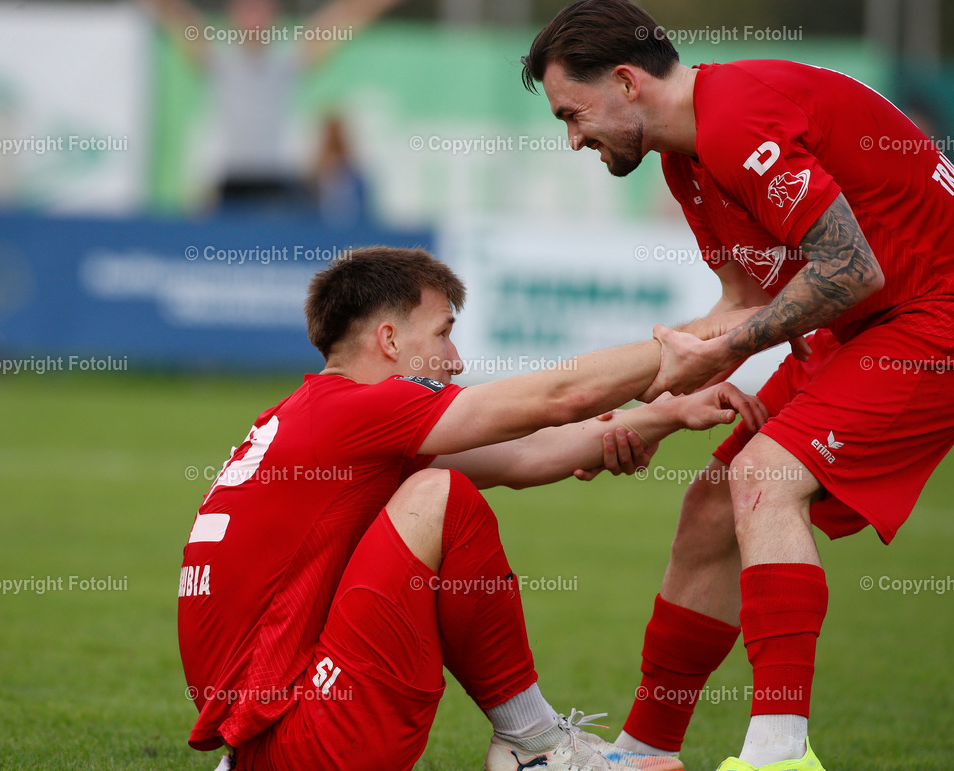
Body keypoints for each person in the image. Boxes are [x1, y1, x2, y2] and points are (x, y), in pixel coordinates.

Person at [521, 2, 954, 770]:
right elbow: (742, 308)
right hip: (875, 321)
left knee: (763, 476)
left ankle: (780, 756)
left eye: (573, 114)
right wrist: (638, 413)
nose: (573, 138)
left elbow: (851, 269)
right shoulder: (684, 156)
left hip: (931, 318)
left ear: (626, 81)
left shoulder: (737, 120)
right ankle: (645, 752)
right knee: (711, 503)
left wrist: (689, 369)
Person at [177, 246, 766, 771]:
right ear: (388, 340)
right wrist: (674, 351)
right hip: (309, 739)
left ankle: (531, 744)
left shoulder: (320, 419)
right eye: (443, 333)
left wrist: (668, 413)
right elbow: (561, 396)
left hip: (273, 734)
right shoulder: (359, 411)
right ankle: (533, 746)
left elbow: (525, 455)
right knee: (442, 498)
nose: (456, 359)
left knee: (437, 492)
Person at [140, 0, 401, 210]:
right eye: (248, 8)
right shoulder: (219, 61)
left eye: (262, 8)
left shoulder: (286, 62)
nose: (255, 18)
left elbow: (340, 19)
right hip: (229, 180)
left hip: (276, 180)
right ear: (234, 15)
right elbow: (178, 16)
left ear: (274, 16)